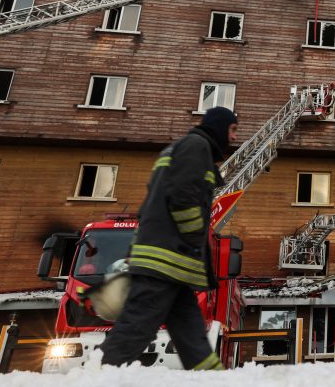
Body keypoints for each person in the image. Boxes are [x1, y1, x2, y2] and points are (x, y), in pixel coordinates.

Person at [100, 106, 238, 370]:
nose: (233, 138)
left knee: (192, 338)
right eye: (232, 130)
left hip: (171, 266)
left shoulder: (182, 149)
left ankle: (214, 379)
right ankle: (101, 378)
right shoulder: (196, 147)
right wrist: (195, 237)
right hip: (165, 262)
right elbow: (182, 196)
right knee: (136, 328)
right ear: (218, 127)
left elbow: (155, 203)